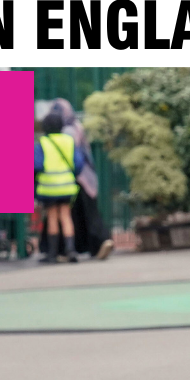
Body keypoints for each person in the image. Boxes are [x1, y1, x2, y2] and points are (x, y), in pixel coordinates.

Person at [52, 98, 115, 261]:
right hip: (85, 177)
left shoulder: (67, 131)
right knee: (84, 212)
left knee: (74, 213)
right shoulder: (77, 126)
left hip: (74, 177)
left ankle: (79, 247)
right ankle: (96, 244)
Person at [33, 107, 81, 262]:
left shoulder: (43, 143)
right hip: (67, 186)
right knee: (66, 217)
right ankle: (70, 250)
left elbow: (36, 165)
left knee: (52, 217)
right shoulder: (69, 141)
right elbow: (78, 163)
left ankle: (52, 253)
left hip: (48, 187)